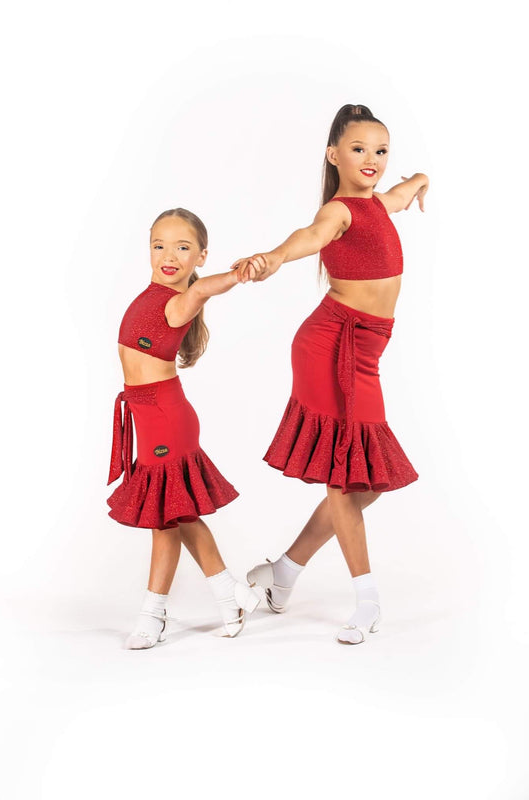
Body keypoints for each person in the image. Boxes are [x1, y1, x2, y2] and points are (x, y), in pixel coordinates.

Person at [233, 104, 428, 644]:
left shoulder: (383, 204)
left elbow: (407, 188)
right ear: (334, 155)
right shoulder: (341, 211)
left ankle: (285, 572)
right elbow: (310, 236)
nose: (371, 160)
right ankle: (367, 600)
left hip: (368, 350)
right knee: (347, 478)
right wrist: (273, 256)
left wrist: (421, 178)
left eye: (381, 151)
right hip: (332, 345)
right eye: (359, 150)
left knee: (369, 479)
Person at [107, 208, 260, 648]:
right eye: (160, 245)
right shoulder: (152, 294)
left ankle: (153, 616)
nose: (169, 255)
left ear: (200, 257)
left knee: (165, 518)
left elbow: (206, 290)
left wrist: (237, 274)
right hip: (153, 416)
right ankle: (230, 594)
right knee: (179, 513)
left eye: (183, 247)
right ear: (149, 249)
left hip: (165, 418)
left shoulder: (180, 301)